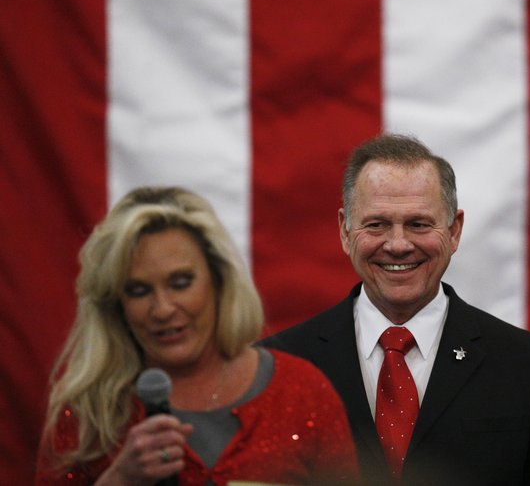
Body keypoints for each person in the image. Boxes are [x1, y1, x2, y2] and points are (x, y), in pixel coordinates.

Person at [261, 134, 530, 485]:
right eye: (377, 224)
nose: (398, 245)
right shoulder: (276, 366)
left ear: (454, 231)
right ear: (345, 231)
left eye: (418, 224)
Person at [36, 186, 358, 485]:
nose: (162, 309)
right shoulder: (89, 411)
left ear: (218, 281)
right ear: (117, 304)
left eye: (180, 283)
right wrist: (118, 479)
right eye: (138, 290)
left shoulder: (302, 392)